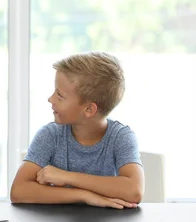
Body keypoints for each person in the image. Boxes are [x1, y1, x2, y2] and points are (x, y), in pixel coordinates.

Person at [10, 51, 145, 209]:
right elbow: (18, 191)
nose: (50, 99)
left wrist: (67, 177)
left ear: (88, 109)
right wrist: (84, 196)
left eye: (60, 95)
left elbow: (134, 191)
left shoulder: (121, 137)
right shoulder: (50, 135)